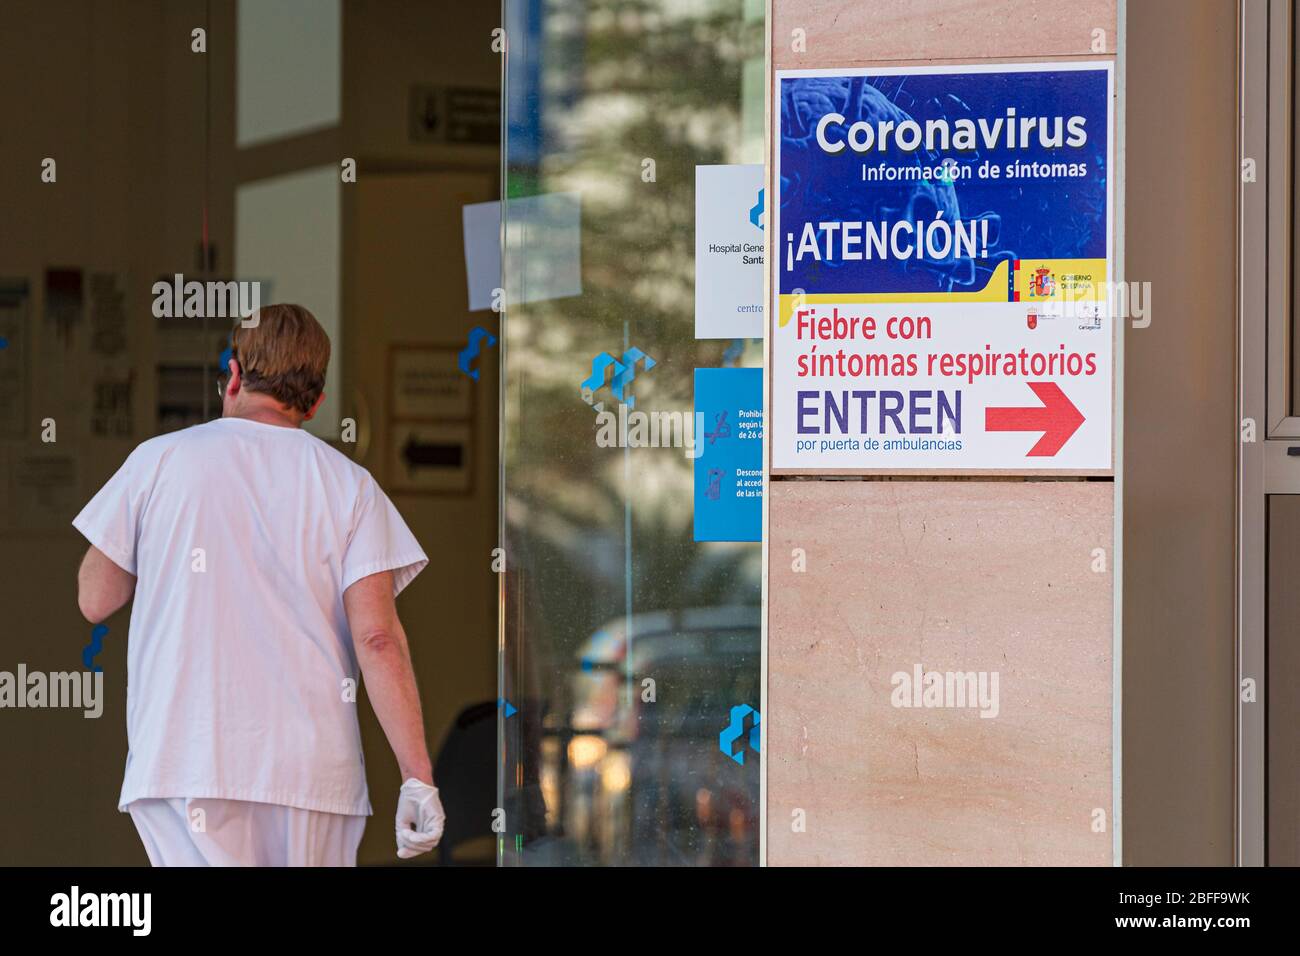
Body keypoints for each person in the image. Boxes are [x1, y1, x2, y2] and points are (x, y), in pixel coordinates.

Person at [72, 303, 445, 866]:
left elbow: (95, 600)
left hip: (188, 759)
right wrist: (417, 778)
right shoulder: (352, 487)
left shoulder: (158, 461)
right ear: (316, 403)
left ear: (235, 374)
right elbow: (378, 640)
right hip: (312, 776)